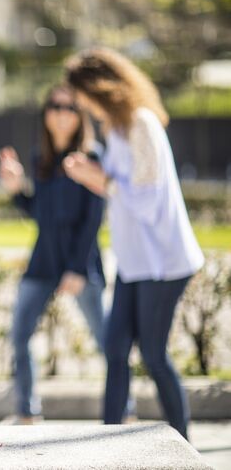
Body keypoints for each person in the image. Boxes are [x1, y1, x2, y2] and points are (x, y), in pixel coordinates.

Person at [63, 47, 204, 439]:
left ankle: (184, 445)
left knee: (154, 355)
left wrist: (97, 177)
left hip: (163, 261)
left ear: (99, 89)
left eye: (81, 94)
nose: (79, 104)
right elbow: (121, 189)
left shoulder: (142, 124)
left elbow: (146, 197)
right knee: (115, 349)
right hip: (134, 261)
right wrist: (91, 173)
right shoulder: (114, 128)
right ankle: (109, 443)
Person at [0, 85, 106, 424]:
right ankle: (27, 413)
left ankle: (125, 410)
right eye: (55, 105)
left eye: (70, 107)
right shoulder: (39, 158)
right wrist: (17, 191)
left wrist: (76, 268)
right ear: (46, 112)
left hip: (81, 262)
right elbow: (40, 213)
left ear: (80, 116)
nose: (62, 113)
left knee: (106, 341)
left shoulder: (92, 158)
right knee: (19, 334)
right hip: (43, 260)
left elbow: (93, 219)